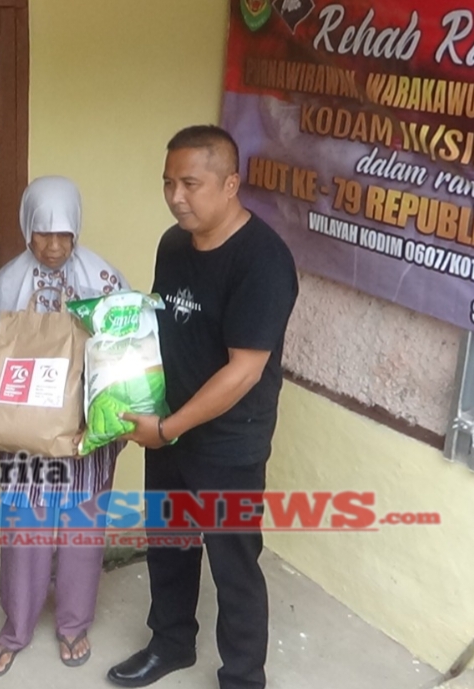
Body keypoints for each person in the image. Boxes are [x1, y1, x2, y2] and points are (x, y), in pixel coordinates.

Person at [107, 125, 298, 689]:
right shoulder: (173, 244)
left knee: (233, 564)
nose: (175, 197)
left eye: (190, 184)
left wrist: (167, 428)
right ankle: (170, 644)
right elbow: (164, 331)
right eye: (168, 183)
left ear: (231, 183)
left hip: (229, 442)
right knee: (168, 545)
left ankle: (243, 677)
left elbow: (244, 370)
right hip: (169, 428)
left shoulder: (263, 260)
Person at [0, 175, 128, 677]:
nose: (55, 246)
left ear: (77, 229)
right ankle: (16, 626)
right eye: (43, 234)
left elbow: (127, 353)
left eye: (64, 234)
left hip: (85, 431)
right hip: (26, 434)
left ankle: (73, 623)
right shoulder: (9, 282)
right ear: (27, 229)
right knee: (26, 526)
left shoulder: (103, 277)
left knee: (83, 525)